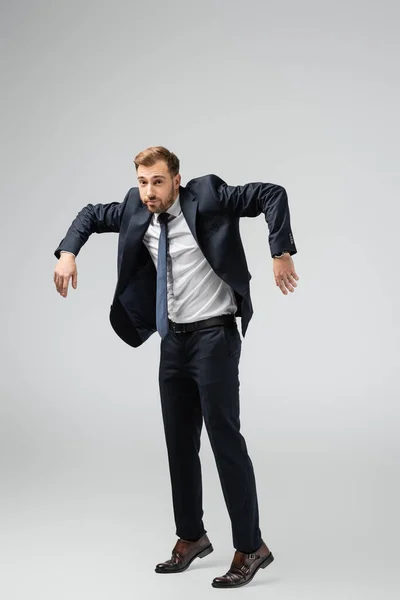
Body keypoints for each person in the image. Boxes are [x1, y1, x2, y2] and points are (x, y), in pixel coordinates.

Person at [53, 146, 299, 589]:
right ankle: (192, 536)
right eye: (143, 182)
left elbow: (271, 193)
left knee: (224, 440)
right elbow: (90, 214)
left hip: (214, 337)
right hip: (174, 341)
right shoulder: (134, 206)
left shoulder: (208, 195)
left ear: (177, 180)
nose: (149, 191)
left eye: (158, 182)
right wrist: (68, 253)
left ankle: (251, 546)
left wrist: (279, 250)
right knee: (178, 443)